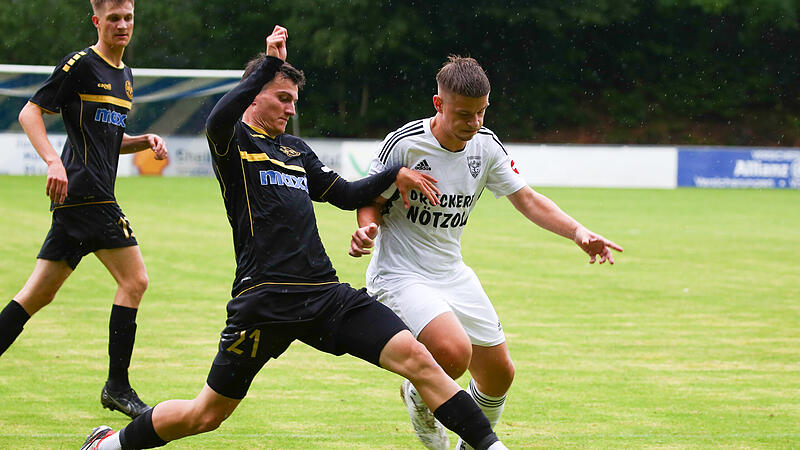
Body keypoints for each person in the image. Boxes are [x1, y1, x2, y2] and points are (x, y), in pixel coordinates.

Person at [80, 26, 508, 450]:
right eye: (282, 98)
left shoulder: (296, 150)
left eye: (294, 101)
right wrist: (269, 63)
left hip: (323, 293)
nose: (290, 108)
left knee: (419, 359)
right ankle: (108, 446)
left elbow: (345, 194)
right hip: (265, 299)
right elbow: (217, 119)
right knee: (206, 414)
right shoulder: (233, 142)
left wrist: (395, 174)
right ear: (254, 94)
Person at [349, 55, 624, 449]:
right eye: (464, 114)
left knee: (499, 375)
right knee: (452, 353)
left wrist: (578, 232)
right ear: (438, 103)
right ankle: (419, 396)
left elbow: (527, 199)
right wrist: (367, 229)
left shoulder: (486, 146)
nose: (474, 123)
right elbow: (369, 197)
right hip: (401, 273)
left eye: (481, 112)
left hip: (451, 271)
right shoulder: (405, 144)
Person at [0, 0, 166, 419]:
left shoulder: (125, 76)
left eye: (128, 18)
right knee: (135, 281)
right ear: (97, 21)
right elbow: (29, 112)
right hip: (89, 194)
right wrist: (53, 162)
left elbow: (108, 139)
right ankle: (117, 387)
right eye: (114, 18)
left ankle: (117, 386)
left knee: (37, 294)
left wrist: (142, 140)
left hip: (78, 200)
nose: (122, 25)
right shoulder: (81, 64)